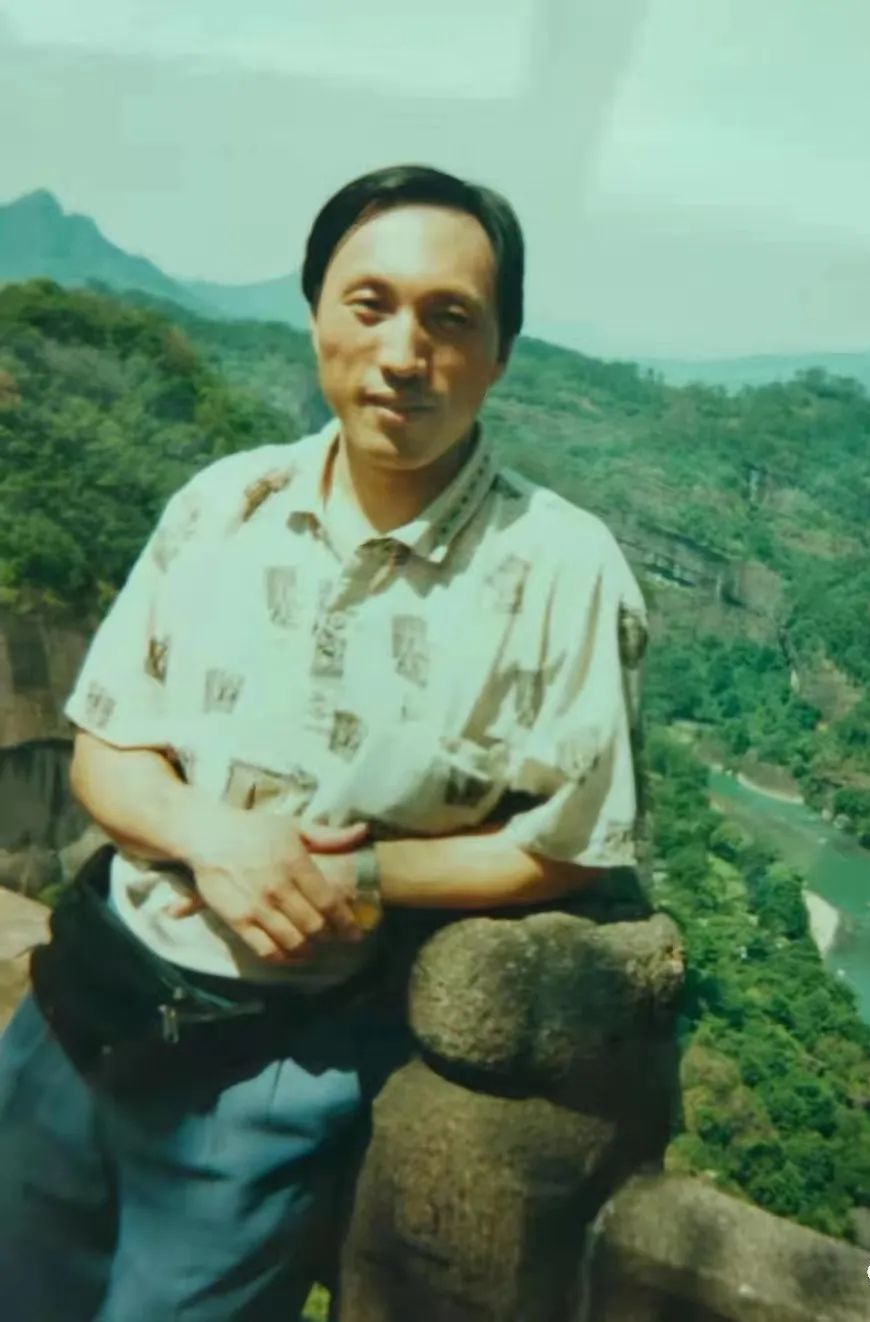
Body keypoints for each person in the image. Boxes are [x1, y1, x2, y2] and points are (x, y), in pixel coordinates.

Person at [0, 163, 648, 1321]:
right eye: (370, 303)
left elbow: (570, 843)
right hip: (73, 1017)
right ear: (315, 317)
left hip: (268, 1074)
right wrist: (212, 835)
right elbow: (106, 747)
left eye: (451, 317)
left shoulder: (562, 569)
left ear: (501, 352)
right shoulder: (223, 503)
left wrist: (360, 877)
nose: (405, 351)